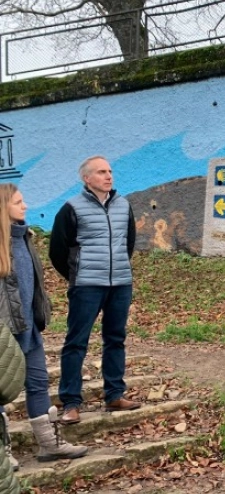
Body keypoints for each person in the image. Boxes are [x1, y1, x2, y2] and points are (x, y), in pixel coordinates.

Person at [0, 184, 88, 470]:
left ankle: (49, 444)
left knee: (38, 384)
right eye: (19, 202)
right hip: (4, 335)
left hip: (29, 329)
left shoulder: (25, 238)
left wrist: (39, 317)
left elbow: (32, 287)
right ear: (4, 207)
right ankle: (2, 454)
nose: (25, 206)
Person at [49, 156, 141, 426]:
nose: (109, 176)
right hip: (87, 286)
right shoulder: (71, 208)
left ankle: (114, 395)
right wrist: (77, 275)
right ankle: (71, 402)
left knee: (115, 339)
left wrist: (119, 269)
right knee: (76, 342)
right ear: (87, 179)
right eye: (102, 172)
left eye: (110, 171)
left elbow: (129, 242)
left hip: (120, 284)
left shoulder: (124, 205)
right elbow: (57, 250)